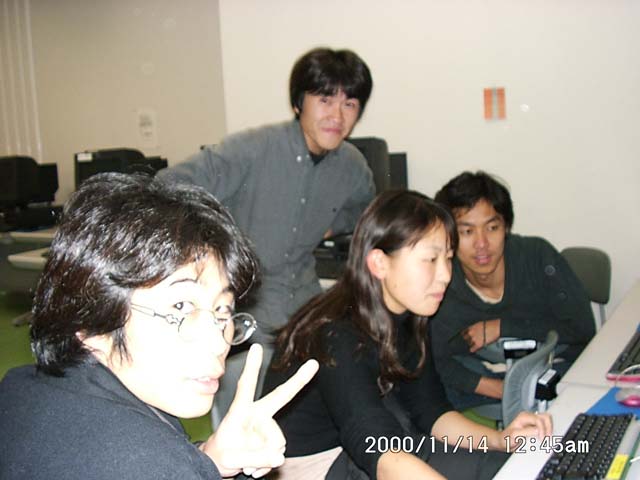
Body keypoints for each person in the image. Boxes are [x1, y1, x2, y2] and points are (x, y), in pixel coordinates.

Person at [0, 173, 318, 480]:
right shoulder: (149, 463)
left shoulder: (20, 389)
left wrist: (209, 462)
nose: (219, 342)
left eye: (223, 309)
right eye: (181, 307)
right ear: (93, 323)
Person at [263, 190, 552, 480]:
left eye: (448, 259)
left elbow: (430, 411)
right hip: (310, 466)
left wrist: (500, 441)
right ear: (379, 263)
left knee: (506, 466)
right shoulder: (337, 332)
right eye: (431, 259)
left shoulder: (410, 315)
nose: (446, 275)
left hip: (371, 447)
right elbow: (376, 447)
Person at [159, 47, 375, 424]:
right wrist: (210, 246)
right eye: (325, 100)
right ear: (298, 103)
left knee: (326, 389)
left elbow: (365, 211)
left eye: (350, 104)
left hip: (305, 298)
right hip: (248, 298)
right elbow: (169, 185)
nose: (337, 116)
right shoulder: (253, 148)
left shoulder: (352, 166)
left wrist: (331, 224)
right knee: (241, 407)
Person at [430, 171, 595, 409]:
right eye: (467, 231)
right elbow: (433, 359)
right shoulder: (442, 281)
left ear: (506, 227)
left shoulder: (536, 257)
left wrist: (503, 327)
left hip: (551, 369)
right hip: (485, 381)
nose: (481, 244)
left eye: (492, 228)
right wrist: (501, 389)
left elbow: (582, 329)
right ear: (449, 236)